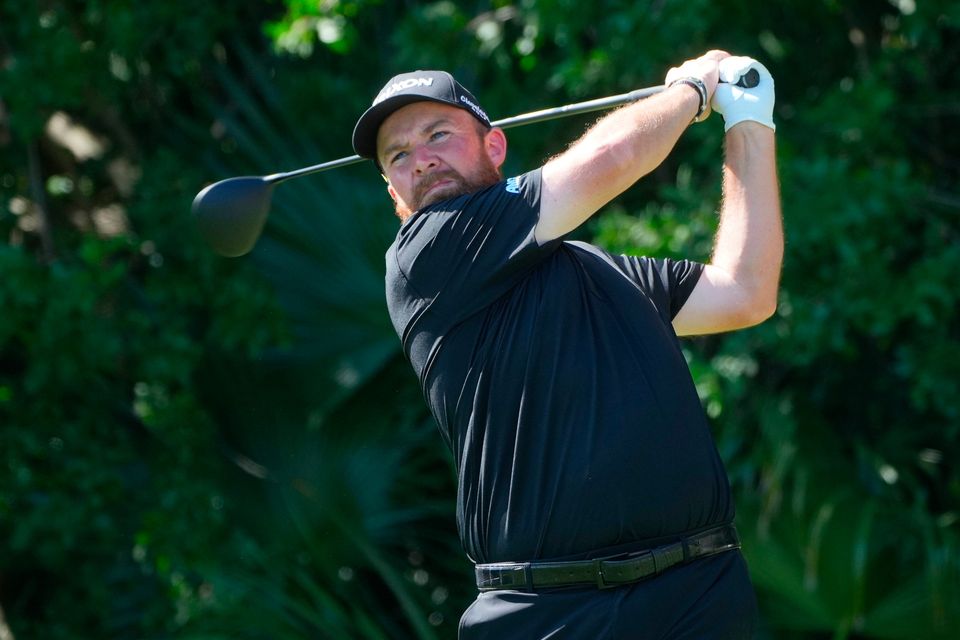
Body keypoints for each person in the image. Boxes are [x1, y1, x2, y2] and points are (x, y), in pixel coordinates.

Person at [351, 50, 782, 639]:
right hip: (550, 610)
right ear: (393, 190)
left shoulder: (600, 270)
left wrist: (751, 120)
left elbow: (745, 292)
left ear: (494, 147)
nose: (421, 161)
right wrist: (692, 91)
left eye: (439, 134)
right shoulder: (425, 257)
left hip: (699, 594)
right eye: (398, 156)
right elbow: (614, 156)